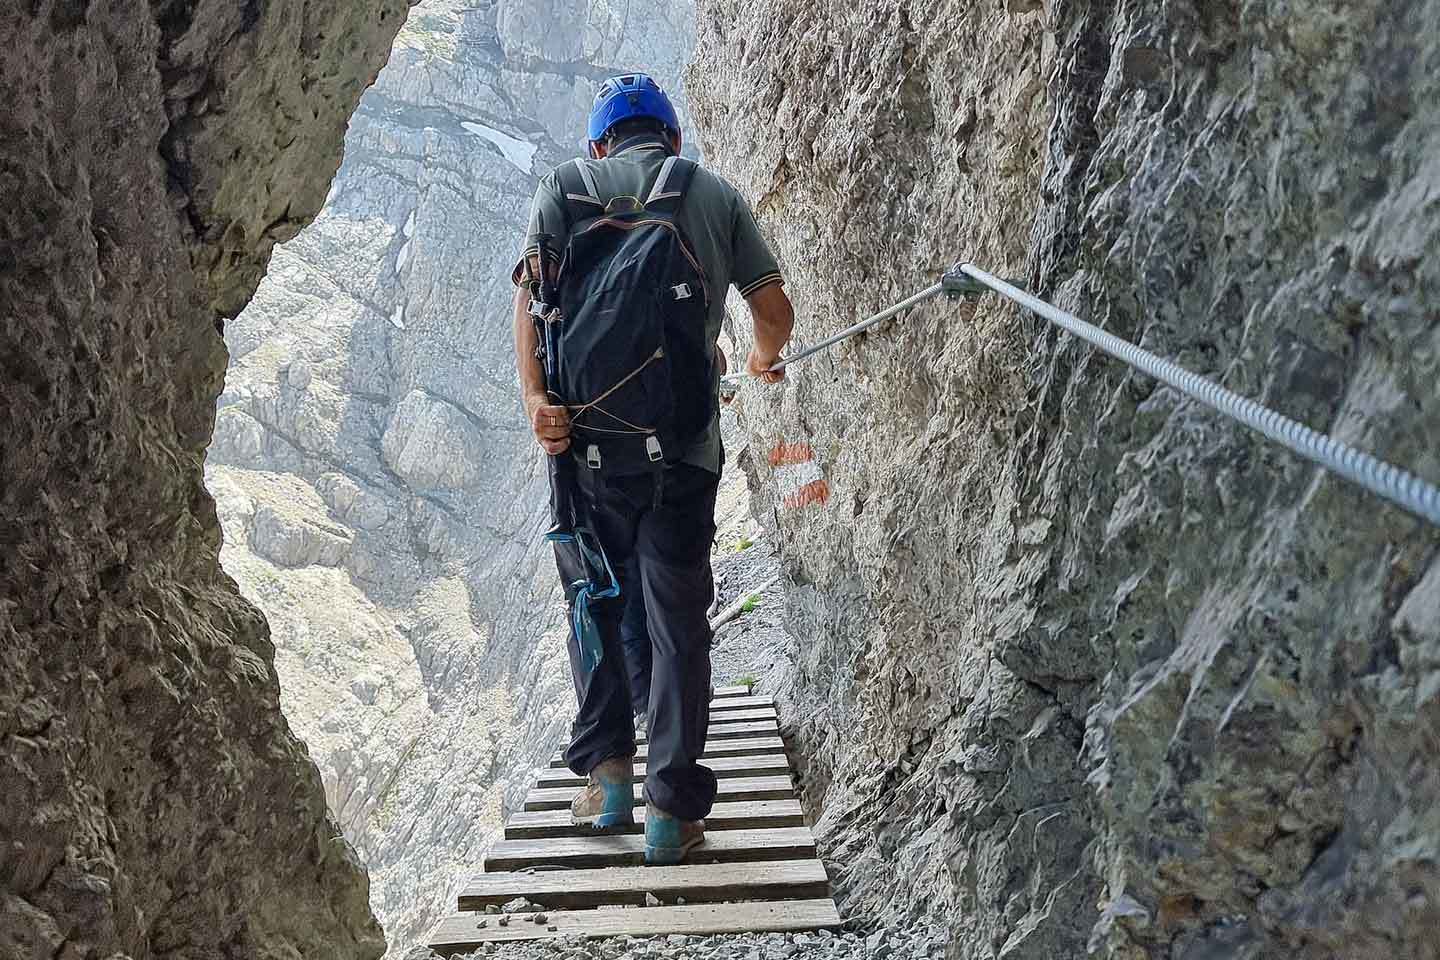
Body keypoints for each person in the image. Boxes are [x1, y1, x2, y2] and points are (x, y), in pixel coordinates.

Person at [510, 73, 794, 865]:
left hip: (584, 456)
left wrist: (538, 400)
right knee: (676, 627)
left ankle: (606, 786)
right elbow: (773, 315)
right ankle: (671, 812)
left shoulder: (562, 192)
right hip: (685, 457)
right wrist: (762, 362)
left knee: (594, 607)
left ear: (599, 145)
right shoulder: (711, 194)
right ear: (670, 138)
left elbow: (529, 308)